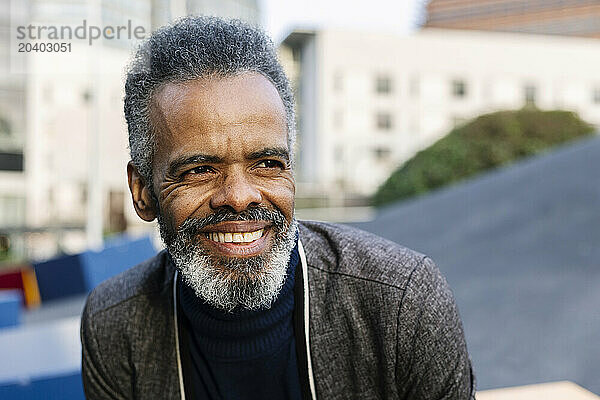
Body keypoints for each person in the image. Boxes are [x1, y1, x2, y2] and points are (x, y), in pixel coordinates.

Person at [80, 16, 475, 400]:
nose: (239, 196)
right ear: (142, 192)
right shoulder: (114, 324)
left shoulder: (402, 304)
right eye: (200, 170)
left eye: (267, 164)